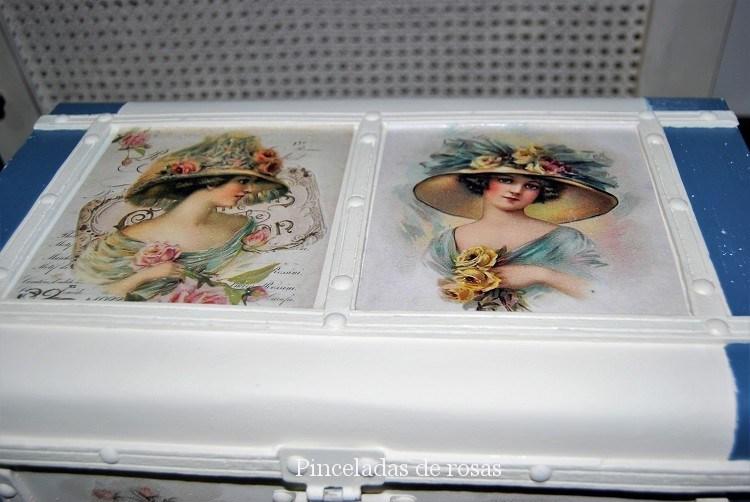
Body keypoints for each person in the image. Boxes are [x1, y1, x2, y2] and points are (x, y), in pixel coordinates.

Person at [75, 132, 288, 303]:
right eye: (242, 181)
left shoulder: (244, 228)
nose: (248, 190)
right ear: (211, 181)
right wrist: (147, 274)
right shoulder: (130, 239)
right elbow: (95, 291)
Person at [413, 138, 618, 311]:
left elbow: (605, 296)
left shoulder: (566, 241)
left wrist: (541, 274)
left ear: (543, 192)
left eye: (531, 185)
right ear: (483, 181)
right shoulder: (445, 243)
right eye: (506, 180)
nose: (517, 190)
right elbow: (418, 296)